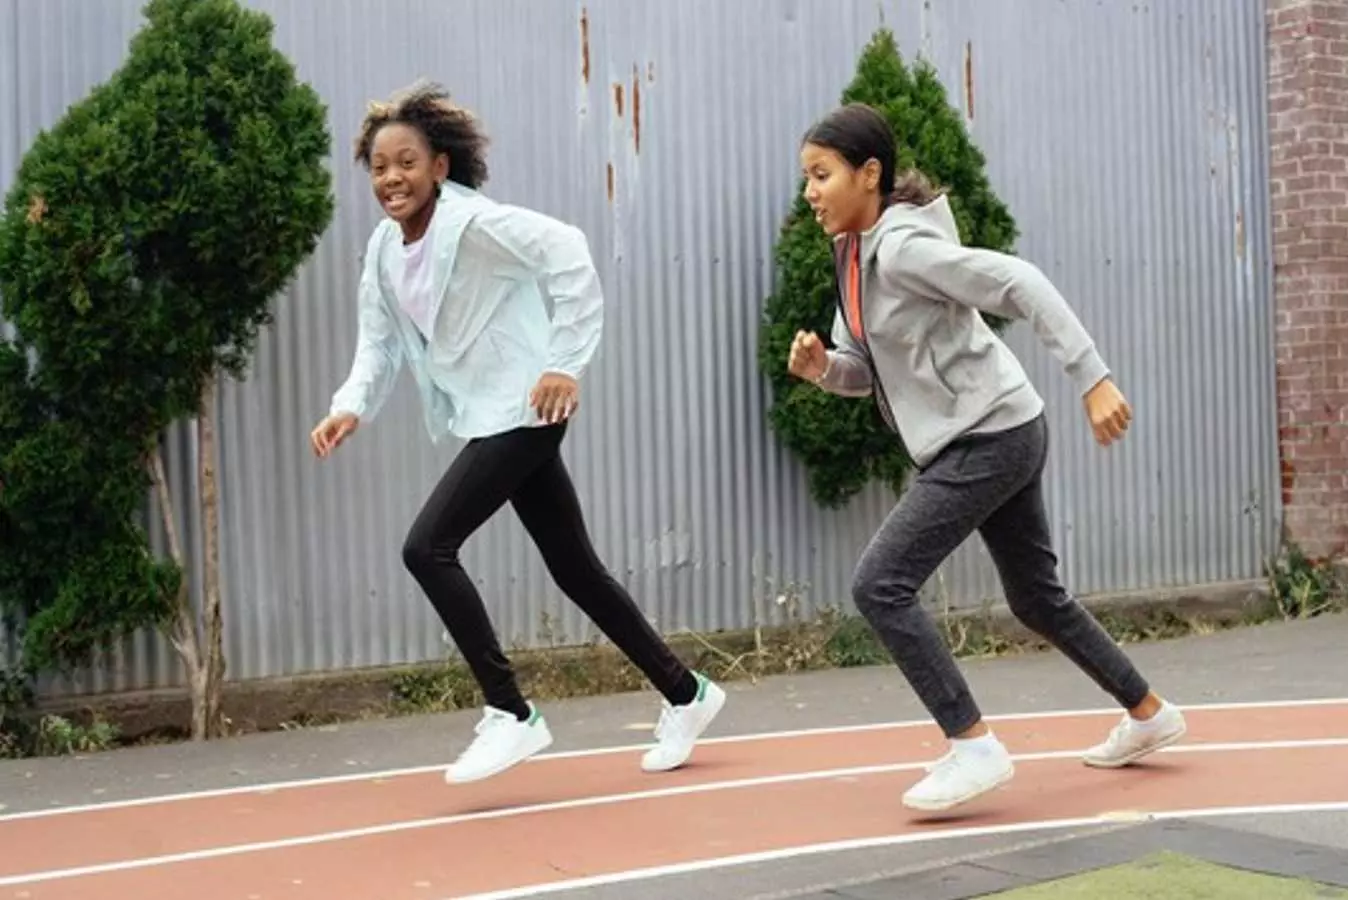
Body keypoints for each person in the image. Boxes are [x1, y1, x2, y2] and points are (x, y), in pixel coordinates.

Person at [310, 80, 724, 785]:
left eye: (407, 162)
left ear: (440, 166)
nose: (391, 178)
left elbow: (568, 250)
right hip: (489, 415)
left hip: (526, 410)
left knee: (426, 548)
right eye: (379, 167)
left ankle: (511, 711)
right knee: (575, 569)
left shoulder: (473, 225)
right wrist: (350, 405)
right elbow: (377, 343)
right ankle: (687, 693)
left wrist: (565, 362)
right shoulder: (384, 250)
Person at [786, 103, 1187, 813]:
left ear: (869, 174)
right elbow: (867, 369)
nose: (810, 192)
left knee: (880, 584)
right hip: (1002, 425)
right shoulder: (851, 254)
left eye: (822, 175)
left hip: (986, 437)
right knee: (1035, 598)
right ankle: (1149, 713)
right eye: (807, 178)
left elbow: (1019, 282)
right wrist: (825, 369)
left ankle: (973, 747)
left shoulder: (903, 249)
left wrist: (1092, 377)